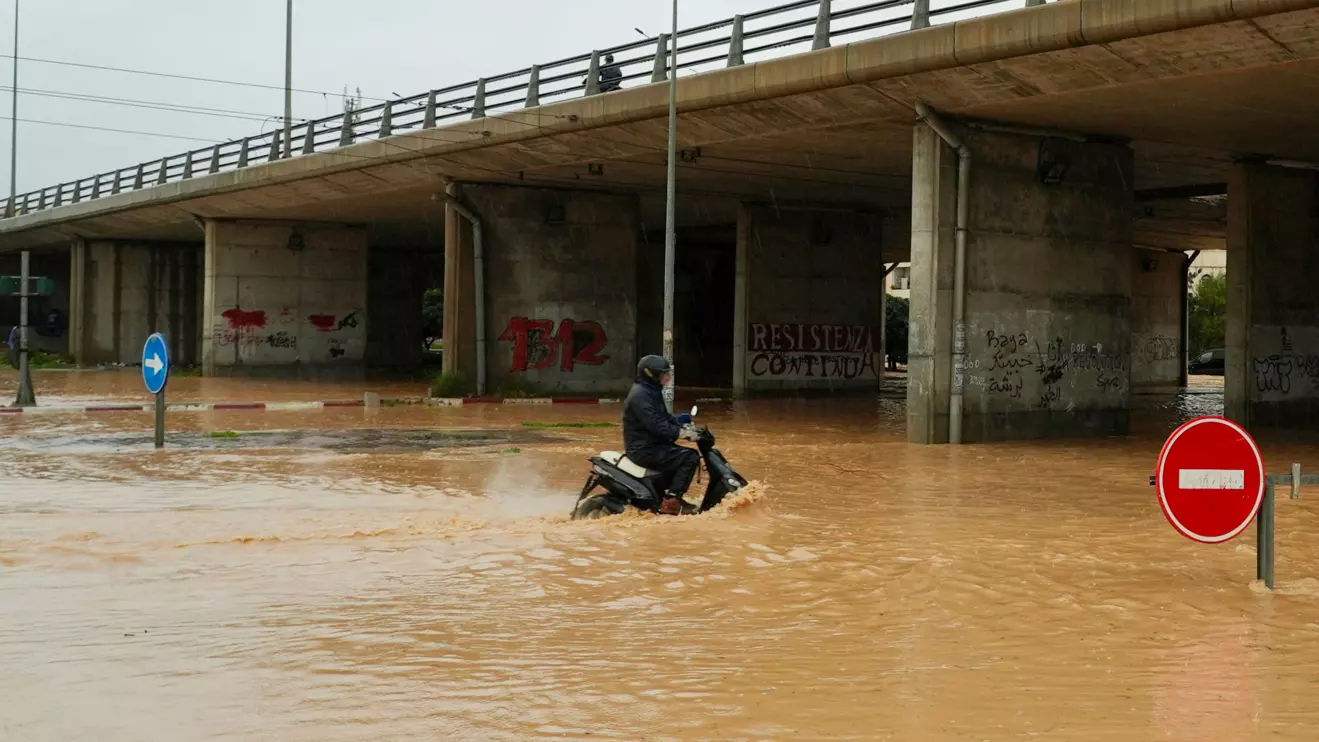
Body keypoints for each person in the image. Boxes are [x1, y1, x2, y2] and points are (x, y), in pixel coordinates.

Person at [623, 355, 699, 515]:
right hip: (644, 449)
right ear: (651, 374)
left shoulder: (650, 391)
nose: (667, 377)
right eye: (663, 374)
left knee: (677, 455)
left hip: (652, 445)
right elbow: (656, 425)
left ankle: (665, 494)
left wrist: (680, 421)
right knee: (690, 457)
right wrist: (681, 432)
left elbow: (663, 418)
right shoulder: (641, 395)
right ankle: (672, 501)